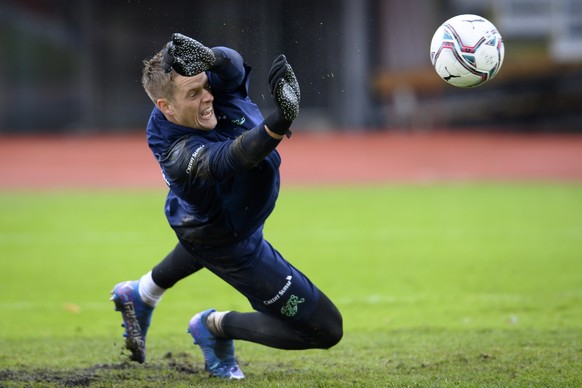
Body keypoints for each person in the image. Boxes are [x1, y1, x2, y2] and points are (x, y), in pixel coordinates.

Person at [110, 33, 343, 380]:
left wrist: (211, 57)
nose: (208, 97)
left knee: (203, 236)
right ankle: (214, 327)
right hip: (226, 239)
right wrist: (278, 123)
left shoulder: (206, 89)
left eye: (205, 85)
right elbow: (228, 159)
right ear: (165, 107)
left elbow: (231, 68)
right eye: (193, 94)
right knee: (326, 328)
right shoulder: (174, 150)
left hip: (228, 212)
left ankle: (142, 292)